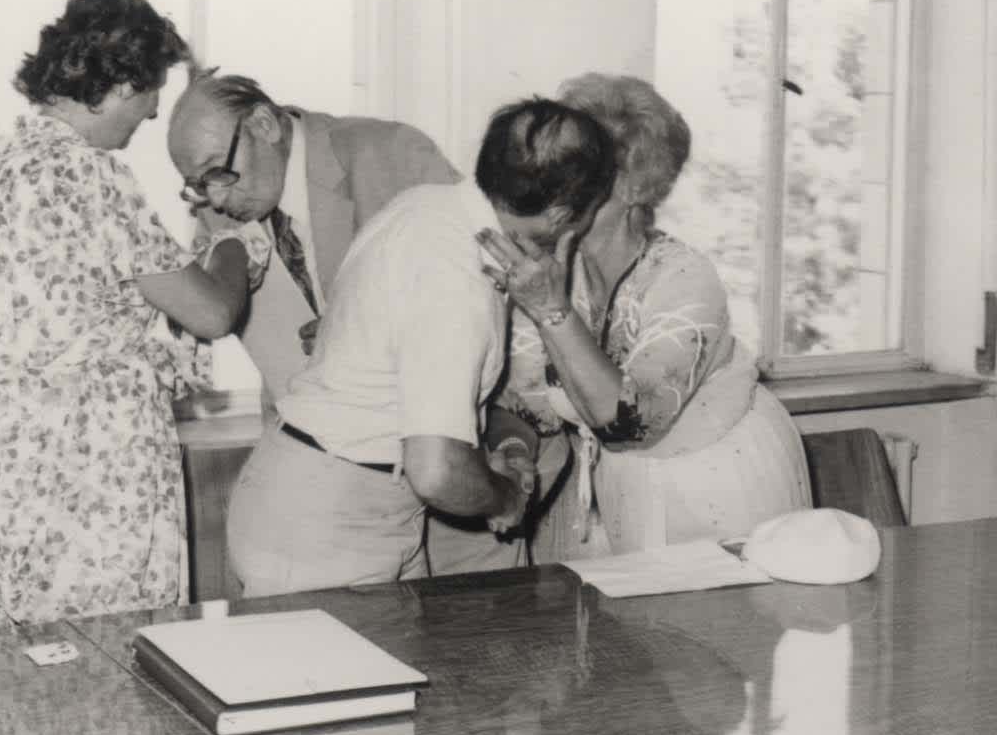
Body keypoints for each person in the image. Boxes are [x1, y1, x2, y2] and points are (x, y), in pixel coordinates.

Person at [0, 0, 251, 631]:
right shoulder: (90, 176)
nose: (150, 114)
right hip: (88, 470)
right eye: (147, 97)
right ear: (117, 83)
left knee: (16, 665)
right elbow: (212, 315)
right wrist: (232, 246)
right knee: (104, 656)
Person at [223, 97, 617, 597]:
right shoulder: (455, 274)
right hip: (329, 524)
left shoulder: (429, 206)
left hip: (337, 505)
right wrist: (503, 500)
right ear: (563, 214)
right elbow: (435, 471)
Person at [479, 72, 812, 556]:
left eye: (585, 171)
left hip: (716, 483)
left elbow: (629, 423)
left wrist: (552, 312)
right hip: (611, 493)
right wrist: (513, 451)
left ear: (637, 187)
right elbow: (518, 403)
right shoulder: (547, 268)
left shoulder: (683, 278)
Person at [166, 72, 458, 411]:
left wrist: (366, 332)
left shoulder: (394, 154)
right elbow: (197, 313)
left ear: (264, 126)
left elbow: (472, 284)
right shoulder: (217, 210)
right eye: (200, 184)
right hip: (300, 426)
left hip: (415, 415)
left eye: (216, 171)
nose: (215, 199)